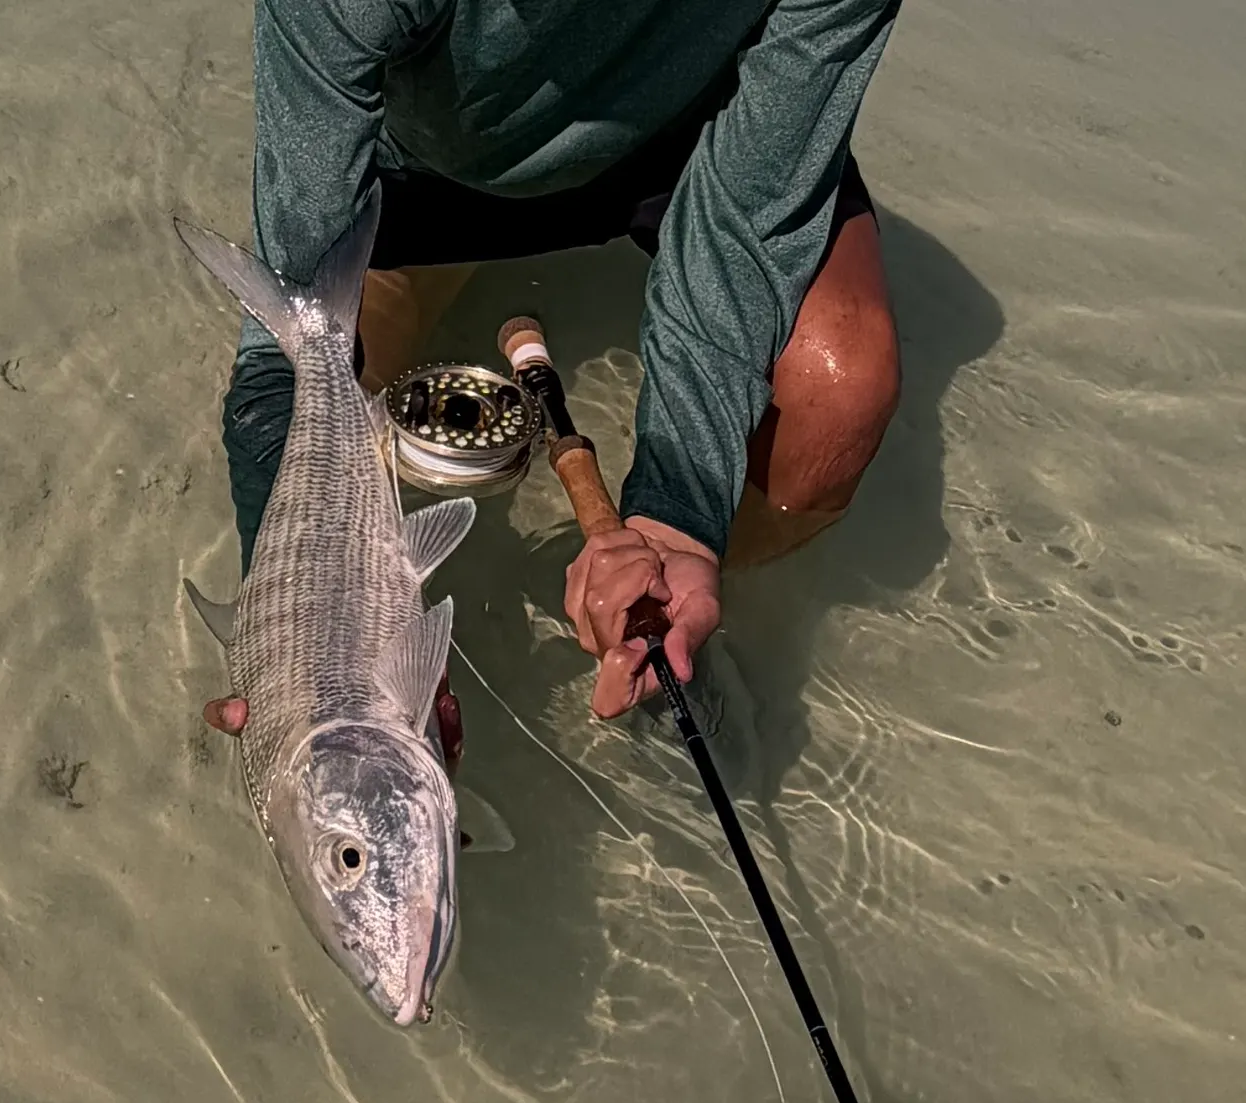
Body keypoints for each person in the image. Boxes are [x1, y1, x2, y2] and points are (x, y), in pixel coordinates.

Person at [203, 0, 903, 748]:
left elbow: (746, 220)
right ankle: (445, 268)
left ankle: (679, 633)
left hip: (691, 141)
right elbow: (292, 346)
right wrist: (305, 637)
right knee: (336, 383)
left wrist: (683, 517)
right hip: (429, 166)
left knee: (841, 390)